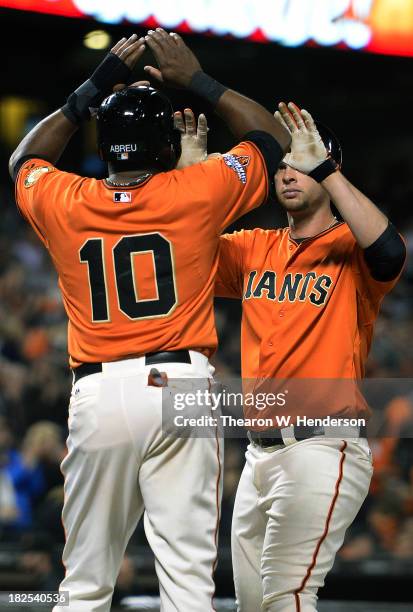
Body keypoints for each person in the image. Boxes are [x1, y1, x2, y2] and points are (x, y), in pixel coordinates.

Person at [9, 29, 290, 612]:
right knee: (187, 582)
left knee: (85, 580)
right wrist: (197, 80)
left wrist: (92, 86)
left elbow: (23, 161)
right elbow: (273, 138)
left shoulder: (65, 198)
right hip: (182, 386)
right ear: (165, 145)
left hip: (101, 388)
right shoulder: (198, 189)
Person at [214, 102, 406, 611]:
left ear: (326, 169)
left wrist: (327, 167)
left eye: (302, 165)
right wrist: (195, 172)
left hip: (322, 445)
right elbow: (185, 253)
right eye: (282, 167)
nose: (288, 175)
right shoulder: (256, 246)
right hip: (258, 453)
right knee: (255, 605)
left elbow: (390, 250)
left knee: (287, 598)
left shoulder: (351, 247)